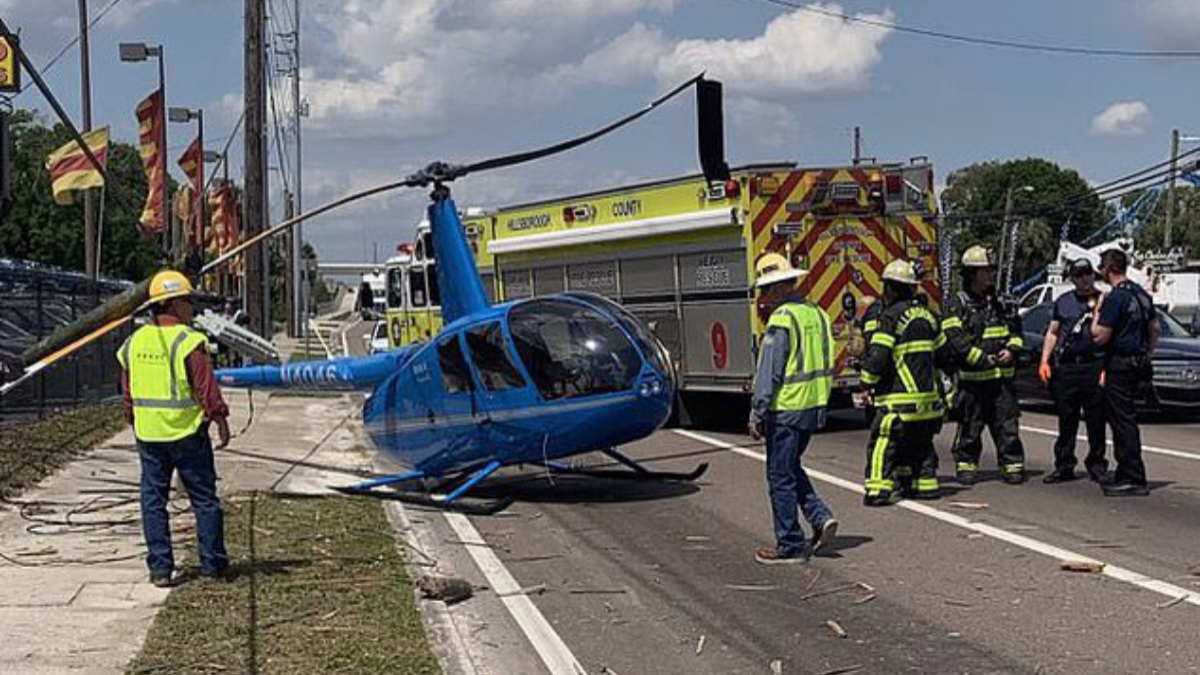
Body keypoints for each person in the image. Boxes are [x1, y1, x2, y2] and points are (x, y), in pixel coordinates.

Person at [117, 270, 231, 586]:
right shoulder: (188, 340)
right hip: (187, 434)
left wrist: (131, 415)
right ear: (171, 304)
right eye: (188, 300)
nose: (192, 307)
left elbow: (128, 387)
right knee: (204, 499)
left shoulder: (134, 341)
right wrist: (219, 418)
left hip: (149, 435)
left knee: (153, 500)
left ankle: (160, 568)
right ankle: (213, 564)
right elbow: (206, 388)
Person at [748, 253, 838, 564]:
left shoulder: (782, 319)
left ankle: (790, 545)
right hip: (814, 407)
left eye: (764, 290)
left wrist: (757, 411)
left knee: (780, 477)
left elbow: (769, 371)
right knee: (789, 468)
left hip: (786, 407)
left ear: (777, 289)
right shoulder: (818, 313)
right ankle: (819, 516)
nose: (762, 298)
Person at [860, 259, 954, 505]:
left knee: (883, 442)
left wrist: (866, 379)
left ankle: (878, 490)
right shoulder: (930, 316)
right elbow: (945, 357)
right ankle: (925, 485)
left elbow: (878, 357)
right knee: (921, 446)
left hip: (898, 401)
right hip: (928, 402)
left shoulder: (890, 317)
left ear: (890, 288)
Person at [942, 245, 1027, 485]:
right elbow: (955, 341)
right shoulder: (956, 304)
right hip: (972, 381)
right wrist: (981, 359)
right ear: (971, 274)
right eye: (985, 271)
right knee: (970, 428)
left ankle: (1012, 465)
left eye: (991, 270)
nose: (990, 275)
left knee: (1007, 426)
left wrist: (1011, 350)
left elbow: (1017, 333)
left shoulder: (1004, 302)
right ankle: (966, 465)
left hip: (1002, 381)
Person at [1091, 249, 1159, 497]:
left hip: (1120, 364)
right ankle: (1124, 470)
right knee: (1126, 417)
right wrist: (1145, 354)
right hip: (1138, 362)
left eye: (1102, 269)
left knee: (1122, 420)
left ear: (1108, 269)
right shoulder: (1141, 294)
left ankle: (1133, 476)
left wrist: (1097, 311)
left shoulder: (1116, 297)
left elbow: (1099, 336)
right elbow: (1155, 330)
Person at [1039, 258, 1108, 484]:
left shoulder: (1104, 300)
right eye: (1079, 275)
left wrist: (1106, 369)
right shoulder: (1063, 302)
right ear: (1073, 279)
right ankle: (1064, 464)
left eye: (1088, 274)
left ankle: (1097, 465)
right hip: (1068, 366)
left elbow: (1111, 337)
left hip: (1094, 364)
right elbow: (1053, 332)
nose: (1085, 279)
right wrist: (1045, 360)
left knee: (1095, 419)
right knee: (1066, 419)